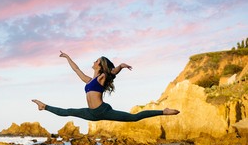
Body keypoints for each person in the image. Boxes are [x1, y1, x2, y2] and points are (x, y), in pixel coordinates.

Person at [32, 51, 179, 121]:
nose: (94, 62)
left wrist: (121, 66)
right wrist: (67, 57)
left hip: (102, 111)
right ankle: (43, 106)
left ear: (100, 65)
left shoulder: (102, 77)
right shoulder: (89, 80)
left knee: (133, 118)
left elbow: (112, 72)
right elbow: (76, 69)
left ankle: (163, 112)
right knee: (67, 111)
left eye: (96, 60)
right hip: (91, 113)